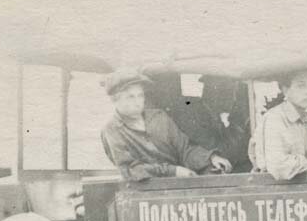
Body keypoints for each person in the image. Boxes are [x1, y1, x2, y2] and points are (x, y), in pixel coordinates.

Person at [99, 68, 232, 181]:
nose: (138, 101)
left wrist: (210, 158)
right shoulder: (112, 130)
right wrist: (173, 171)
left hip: (179, 183)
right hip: (145, 194)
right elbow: (131, 169)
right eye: (130, 97)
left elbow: (184, 149)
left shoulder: (159, 117)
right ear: (115, 100)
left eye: (140, 96)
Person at [258, 69, 307, 180]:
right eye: (301, 86)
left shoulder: (305, 122)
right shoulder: (275, 118)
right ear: (285, 90)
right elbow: (279, 166)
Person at [171, 75, 253, 173]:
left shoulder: (211, 114)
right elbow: (224, 153)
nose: (233, 97)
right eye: (228, 90)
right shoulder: (193, 114)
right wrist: (238, 122)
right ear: (213, 90)